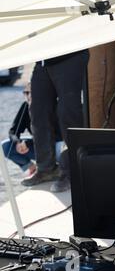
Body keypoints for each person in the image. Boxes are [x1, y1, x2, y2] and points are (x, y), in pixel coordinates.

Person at [21, 50, 89, 192]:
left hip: (69, 55)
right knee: (37, 112)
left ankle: (73, 173)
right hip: (43, 60)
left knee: (67, 113)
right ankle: (46, 169)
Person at [2, 83, 64, 177]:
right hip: (38, 147)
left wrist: (32, 143)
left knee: (61, 147)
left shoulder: (53, 105)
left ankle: (62, 171)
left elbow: (59, 136)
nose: (29, 96)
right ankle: (32, 168)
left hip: (55, 146)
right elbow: (13, 131)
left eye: (32, 92)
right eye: (26, 93)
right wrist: (18, 143)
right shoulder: (26, 107)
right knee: (6, 146)